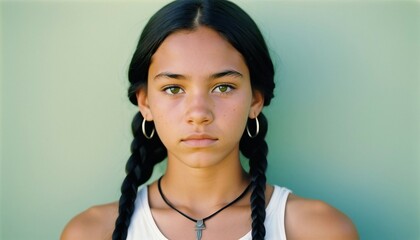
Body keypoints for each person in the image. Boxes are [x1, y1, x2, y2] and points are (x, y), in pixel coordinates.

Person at [61, 0, 358, 239]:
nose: (199, 113)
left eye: (223, 87)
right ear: (145, 101)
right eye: (173, 88)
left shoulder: (318, 231)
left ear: (256, 99)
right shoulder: (90, 232)